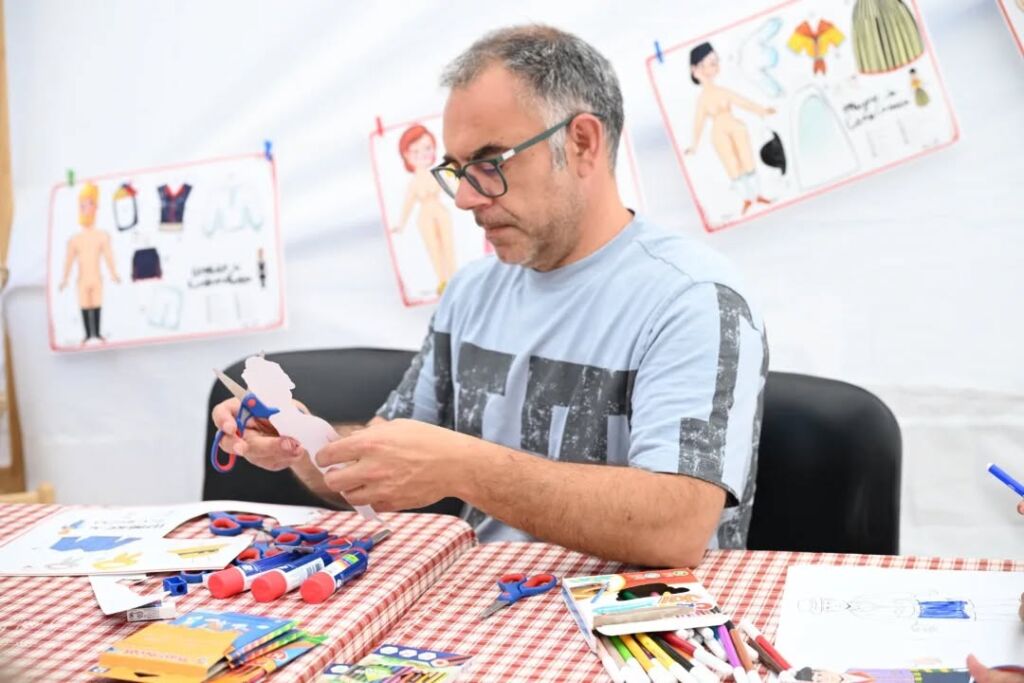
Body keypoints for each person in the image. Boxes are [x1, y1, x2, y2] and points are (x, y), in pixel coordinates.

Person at [212, 25, 768, 567]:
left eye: (489, 163)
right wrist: (301, 437)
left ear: (582, 143)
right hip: (489, 602)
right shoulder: (473, 291)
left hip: (645, 618)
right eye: (457, 171)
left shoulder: (692, 299)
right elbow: (385, 462)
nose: (464, 199)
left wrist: (465, 467)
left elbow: (676, 529)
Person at [684, 42, 775, 216]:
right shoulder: (702, 99)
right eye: (712, 63)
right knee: (732, 166)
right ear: (697, 69)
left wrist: (761, 110)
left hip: (735, 126)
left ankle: (758, 195)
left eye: (716, 62)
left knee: (747, 160)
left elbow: (742, 102)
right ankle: (746, 199)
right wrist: (694, 145)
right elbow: (698, 122)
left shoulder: (722, 91)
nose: (717, 66)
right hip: (719, 133)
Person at [394, 124, 456, 294]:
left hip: (441, 212)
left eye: (427, 148)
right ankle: (443, 281)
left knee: (448, 246)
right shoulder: (413, 183)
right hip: (425, 217)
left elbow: (452, 188)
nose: (422, 154)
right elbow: (408, 205)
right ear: (406, 155)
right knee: (434, 249)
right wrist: (400, 225)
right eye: (415, 151)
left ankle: (455, 278)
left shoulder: (436, 175)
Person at [59, 182, 121, 343]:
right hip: (82, 279)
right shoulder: (75, 239)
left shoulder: (102, 236)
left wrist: (114, 274)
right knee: (85, 304)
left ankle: (97, 333)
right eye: (82, 206)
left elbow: (108, 256)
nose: (85, 209)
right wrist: (64, 279)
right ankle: (87, 334)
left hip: (96, 278)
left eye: (89, 204)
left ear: (96, 207)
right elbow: (68, 261)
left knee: (96, 303)